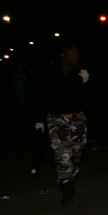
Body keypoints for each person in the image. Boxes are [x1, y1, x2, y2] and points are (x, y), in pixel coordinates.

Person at [35, 45, 90, 204]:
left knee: (75, 156)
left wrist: (86, 83)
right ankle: (66, 190)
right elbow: (41, 96)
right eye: (72, 52)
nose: (76, 55)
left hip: (77, 119)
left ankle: (70, 181)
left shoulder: (81, 73)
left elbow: (88, 98)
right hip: (57, 120)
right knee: (63, 156)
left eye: (77, 52)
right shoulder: (51, 73)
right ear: (63, 55)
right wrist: (39, 119)